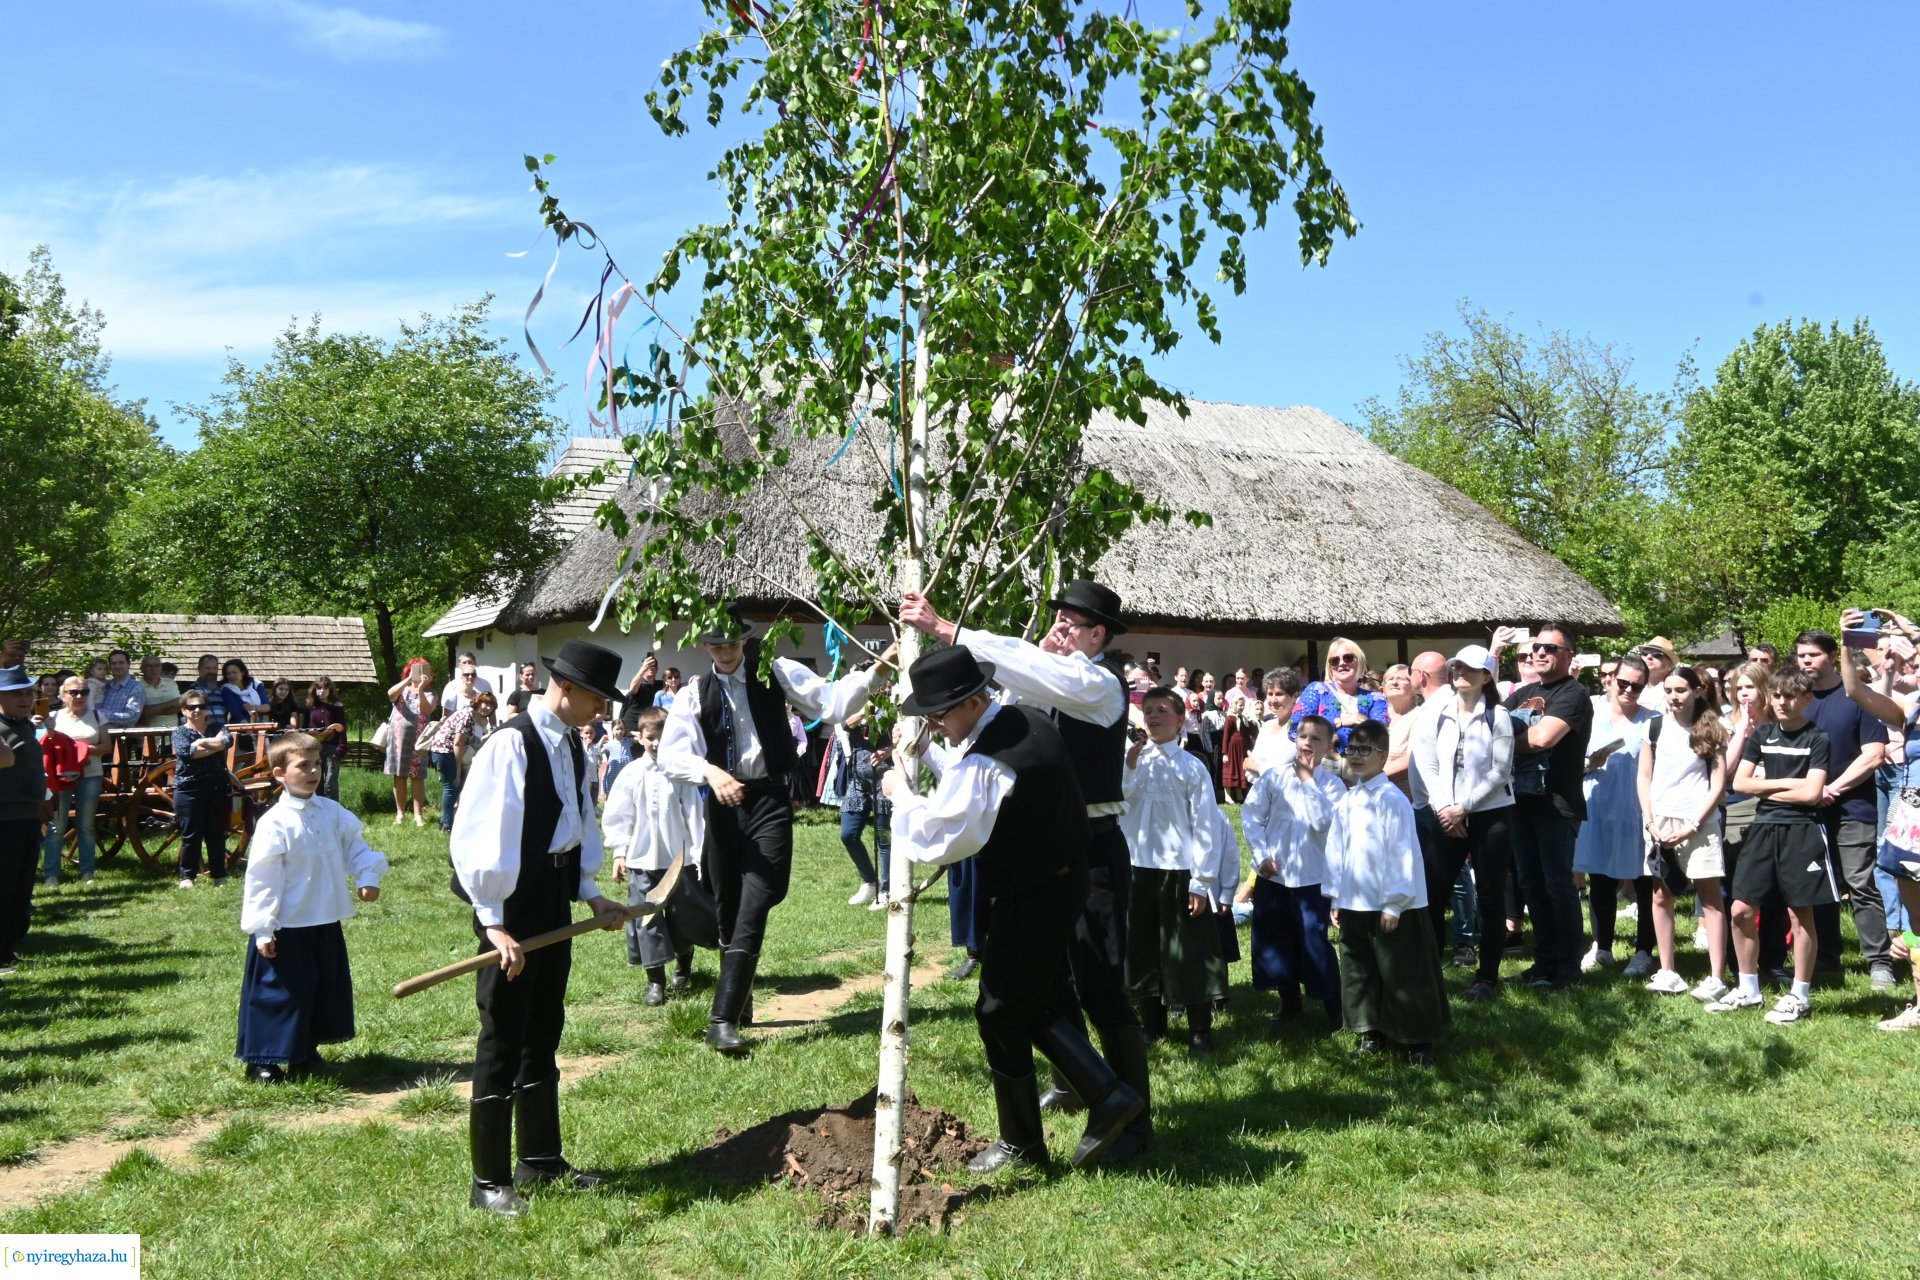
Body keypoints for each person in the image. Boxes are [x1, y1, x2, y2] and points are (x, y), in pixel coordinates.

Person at [900, 580, 1151, 1159]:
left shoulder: (1095, 681)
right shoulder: (1046, 684)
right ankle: (1077, 1084)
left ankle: (1133, 1118)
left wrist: (949, 633)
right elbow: (989, 733)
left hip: (1091, 844)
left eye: (1072, 623)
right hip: (1040, 849)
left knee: (1101, 984)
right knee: (1047, 981)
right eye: (1057, 620)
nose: (1059, 630)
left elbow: (1026, 676)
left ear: (1099, 634)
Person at [449, 638, 630, 1216]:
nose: (602, 711)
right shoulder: (511, 745)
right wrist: (493, 921)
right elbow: (480, 835)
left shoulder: (573, 746)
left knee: (544, 1027)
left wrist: (592, 894)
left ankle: (541, 1160)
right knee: (503, 1035)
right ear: (566, 687)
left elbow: (577, 826)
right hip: (512, 906)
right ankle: (487, 1181)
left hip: (554, 901)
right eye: (597, 699)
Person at [657, 608, 883, 1055]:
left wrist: (876, 671)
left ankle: (719, 1019)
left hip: (770, 800)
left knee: (759, 897)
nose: (724, 652)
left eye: (731, 643)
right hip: (722, 804)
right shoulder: (692, 694)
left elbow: (831, 703)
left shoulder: (774, 670)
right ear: (704, 647)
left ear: (745, 641)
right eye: (715, 645)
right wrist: (709, 772)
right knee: (728, 904)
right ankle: (739, 1004)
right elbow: (671, 755)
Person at [236, 732, 387, 1083]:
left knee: (320, 986)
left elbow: (357, 848)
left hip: (324, 917)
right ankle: (263, 1060)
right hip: (286, 924)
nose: (313, 771)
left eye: (316, 764)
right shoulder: (275, 822)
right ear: (279, 774)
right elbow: (263, 878)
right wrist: (263, 928)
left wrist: (368, 875)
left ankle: (305, 1052)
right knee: (280, 992)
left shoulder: (332, 812)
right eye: (302, 765)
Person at [1706, 670, 1835, 1024]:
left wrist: (1769, 785)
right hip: (1762, 827)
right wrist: (1791, 782)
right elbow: (1742, 784)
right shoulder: (1761, 734)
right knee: (1740, 910)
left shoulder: (1818, 738)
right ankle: (1748, 990)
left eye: (1790, 696)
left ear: (1807, 699)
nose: (1782, 702)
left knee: (1799, 913)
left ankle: (1800, 995)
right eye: (1777, 695)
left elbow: (1812, 795)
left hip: (1801, 829)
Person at [1325, 719, 1449, 1064]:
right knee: (1360, 968)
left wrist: (1394, 904)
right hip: (1355, 900)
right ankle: (1370, 1031)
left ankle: (1419, 1040)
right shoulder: (1349, 800)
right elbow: (1338, 849)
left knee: (1403, 970)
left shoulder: (1391, 799)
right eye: (1352, 749)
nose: (1357, 756)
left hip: (1393, 904)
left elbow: (1402, 852)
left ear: (1383, 755)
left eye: (1366, 750)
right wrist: (1336, 895)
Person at [1120, 687, 1230, 1056]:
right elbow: (1121, 804)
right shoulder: (1132, 760)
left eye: (1162, 711)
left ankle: (1200, 1029)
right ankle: (1152, 1024)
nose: (1152, 717)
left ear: (1181, 720)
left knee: (1187, 949)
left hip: (1179, 870)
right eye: (1147, 710)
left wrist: (1200, 882)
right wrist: (1130, 767)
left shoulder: (1191, 766)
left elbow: (1205, 826)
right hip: (1139, 865)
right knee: (1143, 945)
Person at [1796, 629, 1895, 988]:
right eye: (1801, 655)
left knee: (1860, 883)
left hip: (1853, 807)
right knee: (1818, 883)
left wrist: (1833, 788)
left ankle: (1879, 962)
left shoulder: (1855, 698)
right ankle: (1826, 957)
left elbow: (1873, 755)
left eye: (1813, 655)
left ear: (1831, 657)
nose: (1806, 661)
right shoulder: (1796, 700)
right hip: (1808, 809)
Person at [1498, 624, 1594, 991]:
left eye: (1550, 648)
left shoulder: (1574, 694)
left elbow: (1541, 738)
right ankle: (1545, 962)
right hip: (1520, 803)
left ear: (1569, 655)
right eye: (1536, 647)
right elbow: (1489, 725)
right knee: (1531, 885)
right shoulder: (1523, 692)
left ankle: (1568, 970)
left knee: (1557, 885)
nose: (1539, 653)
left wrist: (1506, 742)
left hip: (1557, 805)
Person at [1242, 714, 1344, 1029]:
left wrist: (1308, 781)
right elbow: (1251, 816)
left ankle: (1334, 1006)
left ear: (1328, 746)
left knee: (1313, 940)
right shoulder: (1273, 777)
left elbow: (1323, 823)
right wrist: (1261, 856)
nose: (1307, 744)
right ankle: (1289, 1001)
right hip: (1275, 875)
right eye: (1302, 737)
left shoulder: (1333, 786)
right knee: (1275, 938)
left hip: (1312, 879)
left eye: (1316, 739)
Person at [1425, 645, 1516, 1002]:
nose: (1460, 671)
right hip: (1446, 813)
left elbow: (1500, 772)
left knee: (1491, 898)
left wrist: (1464, 807)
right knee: (1432, 894)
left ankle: (1486, 977)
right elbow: (1429, 765)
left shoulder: (1499, 715)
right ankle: (1428, 969)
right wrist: (1445, 808)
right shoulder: (1439, 712)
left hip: (1490, 815)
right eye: (1456, 666)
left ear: (1487, 676)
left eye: (1470, 668)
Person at [1637, 665, 1730, 999]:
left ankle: (1716, 976)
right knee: (1661, 895)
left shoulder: (1712, 729)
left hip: (1699, 824)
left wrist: (1692, 824)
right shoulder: (1654, 727)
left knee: (1710, 898)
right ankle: (1667, 970)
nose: (1674, 697)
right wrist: (1650, 821)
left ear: (1697, 691)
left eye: (1680, 690)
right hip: (1660, 822)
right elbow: (1644, 777)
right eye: (1669, 691)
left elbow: (1717, 783)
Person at [1573, 654, 1659, 977]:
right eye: (1623, 683)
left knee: (1644, 880)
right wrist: (1587, 763)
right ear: (1610, 680)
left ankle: (1643, 951)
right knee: (1600, 878)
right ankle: (1603, 947)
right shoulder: (1590, 715)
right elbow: (1570, 761)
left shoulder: (1653, 719)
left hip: (1636, 810)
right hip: (1597, 806)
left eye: (1636, 686)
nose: (1628, 690)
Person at [605, 705, 694, 1006]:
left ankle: (684, 965)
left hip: (677, 859)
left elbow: (694, 815)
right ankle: (655, 980)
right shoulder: (631, 773)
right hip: (641, 859)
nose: (656, 743)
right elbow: (620, 815)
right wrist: (620, 852)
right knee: (645, 918)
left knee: (682, 916)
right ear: (640, 737)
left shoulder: (681, 773)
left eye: (662, 737)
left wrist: (696, 854)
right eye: (650, 737)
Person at [0, 665, 47, 973]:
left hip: (29, 817)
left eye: (28, 692)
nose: (25, 698)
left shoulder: (26, 726)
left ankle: (7, 947)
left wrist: (45, 799)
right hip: (4, 820)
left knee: (21, 889)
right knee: (3, 888)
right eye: (16, 693)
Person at [41, 677, 106, 885]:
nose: (79, 696)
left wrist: (78, 749)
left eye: (84, 692)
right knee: (56, 826)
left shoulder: (98, 715)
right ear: (63, 694)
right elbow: (43, 745)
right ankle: (51, 874)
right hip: (60, 778)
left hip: (91, 775)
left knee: (86, 825)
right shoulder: (52, 717)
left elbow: (107, 747)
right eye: (74, 692)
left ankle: (88, 872)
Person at [1291, 637, 1390, 757]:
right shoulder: (1317, 691)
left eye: (1348, 658)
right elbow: (1295, 729)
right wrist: (1342, 722)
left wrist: (1332, 737)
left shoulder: (1375, 699)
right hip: (1319, 770)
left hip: (1360, 771)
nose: (1342, 663)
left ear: (1360, 662)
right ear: (1330, 668)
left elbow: (1379, 736)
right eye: (1335, 660)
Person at [174, 693, 233, 889]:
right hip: (188, 789)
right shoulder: (179, 732)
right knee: (191, 835)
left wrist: (200, 743)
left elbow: (227, 741)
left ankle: (219, 876)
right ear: (184, 711)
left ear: (207, 709)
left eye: (200, 706)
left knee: (216, 833)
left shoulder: (217, 727)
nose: (196, 710)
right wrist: (214, 745)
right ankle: (187, 877)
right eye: (191, 707)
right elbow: (187, 753)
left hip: (217, 787)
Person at [834, 711, 893, 909]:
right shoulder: (857, 706)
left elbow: (910, 741)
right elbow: (845, 725)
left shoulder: (892, 708)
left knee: (884, 839)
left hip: (884, 781)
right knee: (848, 834)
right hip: (858, 782)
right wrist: (865, 710)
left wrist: (891, 750)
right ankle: (869, 882)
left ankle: (886, 890)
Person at [425, 692, 498, 831]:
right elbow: (457, 743)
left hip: (448, 752)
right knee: (451, 787)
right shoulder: (467, 716)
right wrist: (458, 770)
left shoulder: (475, 718)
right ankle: (446, 825)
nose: (487, 707)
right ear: (477, 703)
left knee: (454, 788)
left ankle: (449, 821)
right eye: (485, 703)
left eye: (491, 705)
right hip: (444, 752)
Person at [384, 658, 436, 827]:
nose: (419, 674)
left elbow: (426, 709)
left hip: (419, 740)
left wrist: (420, 689)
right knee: (399, 775)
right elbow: (391, 695)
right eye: (415, 670)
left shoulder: (431, 693)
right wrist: (408, 680)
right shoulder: (403, 689)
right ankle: (400, 814)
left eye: (423, 671)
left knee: (418, 776)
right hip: (398, 738)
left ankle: (418, 815)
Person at [1243, 669, 1303, 780]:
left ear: (1295, 696)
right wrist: (1254, 767)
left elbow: (1281, 771)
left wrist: (1255, 766)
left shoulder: (1300, 729)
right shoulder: (1266, 726)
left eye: (1279, 694)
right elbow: (1248, 773)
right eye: (1270, 694)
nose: (1273, 700)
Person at [303, 677, 349, 802]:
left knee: (330, 782)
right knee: (316, 781)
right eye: (319, 688)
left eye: (324, 688)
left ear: (330, 689)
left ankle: (333, 810)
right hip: (314, 748)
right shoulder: (310, 706)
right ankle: (318, 808)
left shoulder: (337, 706)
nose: (321, 691)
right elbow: (304, 727)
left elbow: (342, 728)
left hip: (332, 748)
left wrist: (341, 748)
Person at [1218, 693, 1256, 803]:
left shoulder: (1244, 719)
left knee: (1240, 769)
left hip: (1241, 748)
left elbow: (1247, 735)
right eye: (1240, 705)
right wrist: (1225, 753)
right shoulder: (1230, 718)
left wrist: (1248, 748)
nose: (1242, 707)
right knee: (1230, 768)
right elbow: (1225, 736)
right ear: (1234, 705)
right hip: (1231, 748)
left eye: (1243, 705)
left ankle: (1239, 794)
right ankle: (1227, 795)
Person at [99, 649, 146, 728]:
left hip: (122, 737)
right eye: (114, 663)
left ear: (128, 664)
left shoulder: (136, 688)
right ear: (110, 666)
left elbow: (131, 717)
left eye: (121, 662)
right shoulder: (105, 687)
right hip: (99, 735)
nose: (117, 666)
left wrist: (99, 716)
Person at [218, 658, 269, 726]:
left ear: (243, 672)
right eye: (228, 674)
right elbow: (237, 715)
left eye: (234, 672)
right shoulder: (226, 689)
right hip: (241, 728)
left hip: (262, 725)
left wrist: (253, 708)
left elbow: (267, 707)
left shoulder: (256, 684)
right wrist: (252, 734)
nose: (231, 675)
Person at [441, 652, 494, 717]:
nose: (467, 664)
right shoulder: (451, 686)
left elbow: (491, 707)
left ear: (475, 663)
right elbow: (445, 712)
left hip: (480, 723)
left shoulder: (485, 684)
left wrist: (494, 726)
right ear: (459, 665)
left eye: (470, 662)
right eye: (464, 662)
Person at [189, 654, 228, 734]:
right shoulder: (193, 690)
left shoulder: (223, 689)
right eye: (207, 668)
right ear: (199, 669)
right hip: (201, 734)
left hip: (222, 734)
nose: (211, 672)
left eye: (215, 668)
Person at [138, 655, 180, 727]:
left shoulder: (170, 683)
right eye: (149, 666)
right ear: (142, 669)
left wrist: (152, 710)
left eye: (157, 665)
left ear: (161, 668)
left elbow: (179, 706)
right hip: (148, 735)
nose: (153, 668)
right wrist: (170, 703)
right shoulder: (136, 686)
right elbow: (143, 714)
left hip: (172, 733)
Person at [598, 715, 634, 797]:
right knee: (613, 795)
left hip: (626, 774)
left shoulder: (628, 741)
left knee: (627, 795)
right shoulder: (609, 744)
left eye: (622, 729)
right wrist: (599, 758)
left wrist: (629, 733)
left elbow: (640, 737)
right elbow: (598, 753)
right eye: (617, 729)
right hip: (614, 774)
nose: (619, 731)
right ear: (612, 730)